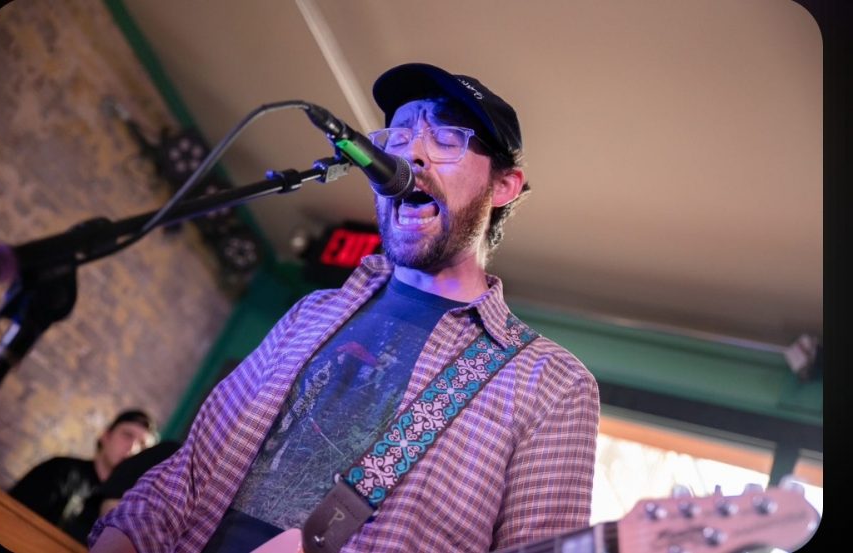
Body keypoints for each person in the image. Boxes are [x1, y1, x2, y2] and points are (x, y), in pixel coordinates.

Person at [89, 62, 600, 553]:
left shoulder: (550, 383)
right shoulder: (311, 312)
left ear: (504, 186)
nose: (412, 156)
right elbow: (187, 475)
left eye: (446, 140)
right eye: (398, 138)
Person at [9, 409, 159, 543]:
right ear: (106, 436)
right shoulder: (61, 470)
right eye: (127, 435)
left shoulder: (132, 508)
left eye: (143, 446)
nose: (133, 448)